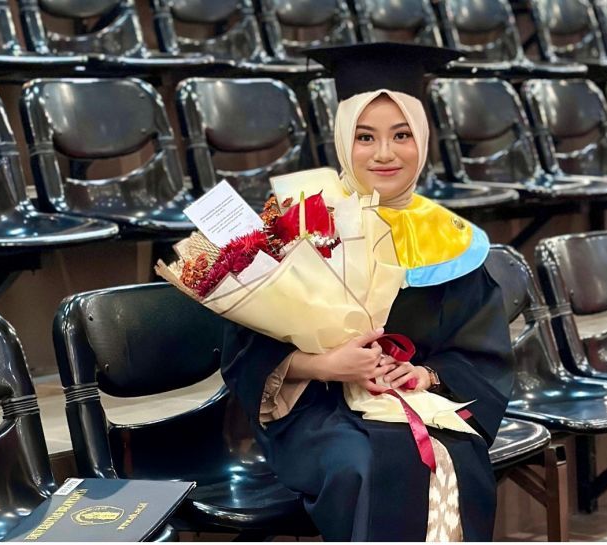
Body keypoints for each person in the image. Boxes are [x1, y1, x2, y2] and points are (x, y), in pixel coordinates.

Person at [221, 42, 515, 541]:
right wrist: (323, 365)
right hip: (315, 410)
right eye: (365, 136)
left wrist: (425, 374)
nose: (384, 153)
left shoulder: (448, 237)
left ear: (423, 137)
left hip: (419, 400)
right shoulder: (299, 220)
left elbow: (481, 350)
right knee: (364, 461)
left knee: (458, 451)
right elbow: (243, 350)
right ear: (342, 138)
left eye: (401, 134)